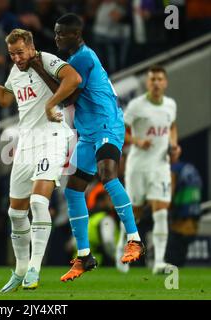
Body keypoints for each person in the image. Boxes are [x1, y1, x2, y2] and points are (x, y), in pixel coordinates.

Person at [30, 13, 144, 282]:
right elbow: (65, 95)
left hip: (107, 124)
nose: (57, 37)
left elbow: (68, 95)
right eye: (56, 32)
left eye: (62, 33)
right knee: (73, 191)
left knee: (107, 175)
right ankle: (84, 256)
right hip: (88, 132)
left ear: (76, 35)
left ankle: (135, 239)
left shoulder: (82, 57)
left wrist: (38, 68)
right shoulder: (74, 60)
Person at [0, 28, 81, 291]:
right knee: (15, 212)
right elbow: (3, 98)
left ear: (31, 47)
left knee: (38, 201)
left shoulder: (45, 60)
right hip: (27, 143)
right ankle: (21, 269)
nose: (17, 58)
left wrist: (51, 103)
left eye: (20, 52)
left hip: (53, 136)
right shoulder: (15, 72)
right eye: (12, 54)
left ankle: (35, 267)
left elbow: (73, 79)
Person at [116, 65, 181, 274]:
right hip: (138, 167)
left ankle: (159, 262)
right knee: (133, 213)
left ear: (166, 82)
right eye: (152, 79)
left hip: (161, 166)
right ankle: (121, 247)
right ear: (147, 82)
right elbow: (119, 129)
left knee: (161, 212)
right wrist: (136, 139)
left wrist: (174, 145)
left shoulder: (170, 104)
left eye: (159, 79)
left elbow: (172, 126)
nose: (156, 83)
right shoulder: (137, 106)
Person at [165, 151, 203, 267]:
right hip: (193, 218)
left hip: (180, 221)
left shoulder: (173, 170)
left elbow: (169, 196)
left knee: (171, 260)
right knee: (180, 259)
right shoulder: (190, 168)